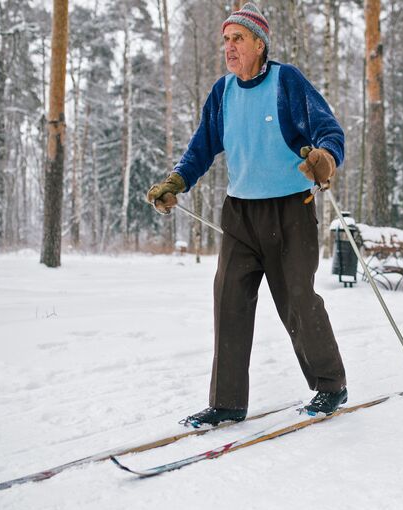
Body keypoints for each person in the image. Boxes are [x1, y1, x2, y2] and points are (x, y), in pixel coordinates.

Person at [146, 2, 347, 427]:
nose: (229, 47)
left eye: (237, 38)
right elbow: (201, 147)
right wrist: (176, 182)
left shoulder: (285, 81)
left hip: (291, 209)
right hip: (240, 213)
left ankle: (330, 386)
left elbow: (329, 131)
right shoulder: (223, 92)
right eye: (225, 40)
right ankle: (227, 402)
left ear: (260, 43)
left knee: (297, 298)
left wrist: (325, 159)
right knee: (229, 300)